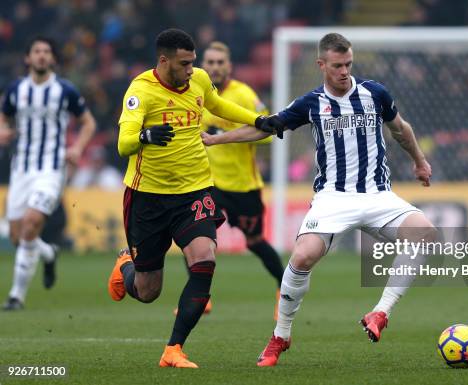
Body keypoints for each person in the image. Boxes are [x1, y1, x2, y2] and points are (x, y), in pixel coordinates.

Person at [203, 32, 435, 367]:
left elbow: (401, 128)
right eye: (338, 65)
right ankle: (280, 335)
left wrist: (419, 160)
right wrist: (217, 140)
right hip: (333, 199)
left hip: (377, 195)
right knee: (302, 256)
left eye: (349, 64)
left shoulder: (375, 93)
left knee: (425, 234)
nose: (344, 71)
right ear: (321, 65)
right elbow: (265, 128)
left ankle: (380, 313)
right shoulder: (310, 103)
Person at [106, 28, 282, 369]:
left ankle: (174, 349)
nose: (192, 70)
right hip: (148, 198)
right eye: (185, 64)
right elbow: (123, 144)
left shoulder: (199, 80)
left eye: (193, 63)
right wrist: (145, 135)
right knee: (147, 291)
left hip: (194, 190)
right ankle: (125, 265)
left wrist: (258, 119)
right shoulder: (141, 91)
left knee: (205, 260)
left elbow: (218, 105)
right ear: (164, 61)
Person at [0, 36, 96, 310]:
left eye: (46, 52)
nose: (41, 56)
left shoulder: (65, 90)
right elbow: (3, 116)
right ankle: (48, 251)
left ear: (52, 59)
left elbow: (88, 122)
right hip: (21, 168)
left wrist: (76, 148)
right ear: (28, 58)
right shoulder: (16, 89)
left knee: (31, 223)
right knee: (18, 236)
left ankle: (16, 296)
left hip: (51, 169)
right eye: (36, 51)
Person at [201, 41, 284, 319]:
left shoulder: (244, 95)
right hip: (209, 184)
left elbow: (268, 131)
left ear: (229, 67)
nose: (214, 67)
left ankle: (284, 289)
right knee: (201, 238)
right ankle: (200, 297)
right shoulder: (197, 96)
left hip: (243, 186)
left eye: (219, 62)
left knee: (255, 242)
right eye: (209, 62)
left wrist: (221, 138)